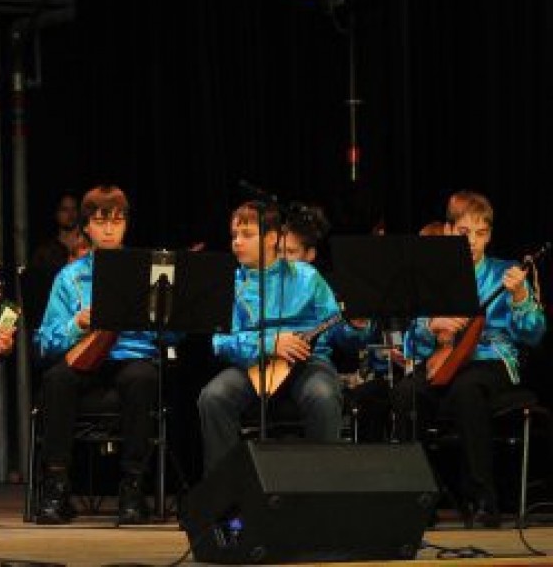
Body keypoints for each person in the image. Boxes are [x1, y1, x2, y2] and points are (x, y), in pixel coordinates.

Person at [390, 190, 546, 527]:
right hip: (444, 361)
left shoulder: (506, 271)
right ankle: (420, 496)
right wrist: (432, 326)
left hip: (491, 359)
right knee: (405, 393)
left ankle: (482, 499)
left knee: (467, 389)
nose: (473, 241)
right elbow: (412, 342)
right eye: (464, 232)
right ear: (448, 231)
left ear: (489, 235)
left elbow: (534, 334)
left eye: (481, 233)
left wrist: (521, 297)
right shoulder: (432, 274)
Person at [197, 200, 368, 475]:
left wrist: (357, 325)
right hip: (253, 365)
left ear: (271, 238)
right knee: (213, 397)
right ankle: (224, 490)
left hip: (308, 362)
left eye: (247, 234)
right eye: (234, 235)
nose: (237, 242)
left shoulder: (307, 277)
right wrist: (269, 344)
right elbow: (220, 342)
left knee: (323, 395)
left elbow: (343, 336)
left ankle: (323, 487)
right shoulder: (231, 284)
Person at [32, 185, 168, 526]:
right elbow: (44, 342)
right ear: (86, 227)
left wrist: (154, 318)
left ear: (126, 225)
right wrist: (77, 324)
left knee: (142, 378)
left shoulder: (149, 272)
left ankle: (133, 488)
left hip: (131, 356)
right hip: (86, 357)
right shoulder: (69, 277)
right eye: (100, 221)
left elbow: (172, 333)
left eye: (117, 221)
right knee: (56, 379)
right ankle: (56, 486)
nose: (109, 229)